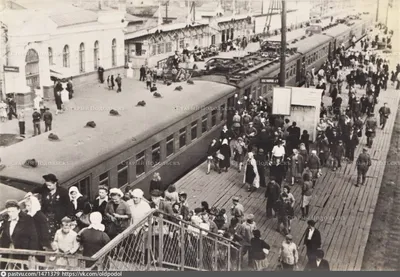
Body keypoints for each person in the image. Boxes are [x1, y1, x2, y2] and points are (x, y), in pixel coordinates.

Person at [0, 200, 39, 269]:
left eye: (13, 211)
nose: (11, 214)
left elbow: (33, 237)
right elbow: (4, 236)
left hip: (22, 251)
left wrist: (31, 253)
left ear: (18, 211)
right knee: (6, 269)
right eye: (9, 211)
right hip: (8, 250)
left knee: (20, 269)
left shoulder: (27, 219)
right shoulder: (6, 220)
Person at [31, 174, 69, 239]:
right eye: (47, 185)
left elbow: (67, 205)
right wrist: (30, 192)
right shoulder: (44, 188)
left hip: (58, 217)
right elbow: (37, 189)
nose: (48, 187)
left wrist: (67, 216)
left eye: (50, 185)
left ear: (55, 183)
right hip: (46, 216)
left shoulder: (63, 192)